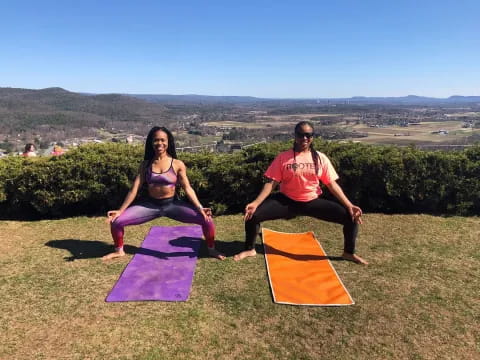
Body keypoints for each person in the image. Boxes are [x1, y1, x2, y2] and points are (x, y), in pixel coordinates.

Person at [234, 121, 368, 265]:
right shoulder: (283, 157)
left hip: (312, 201)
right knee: (253, 215)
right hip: (287, 201)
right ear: (295, 136)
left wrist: (349, 205)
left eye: (308, 135)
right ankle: (250, 249)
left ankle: (348, 253)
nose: (304, 138)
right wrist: (255, 203)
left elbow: (331, 184)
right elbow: (271, 183)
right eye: (301, 134)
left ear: (312, 137)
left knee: (351, 217)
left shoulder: (320, 158)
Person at [103, 126, 225, 260]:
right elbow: (134, 189)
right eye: (156, 140)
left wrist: (200, 208)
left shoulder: (177, 164)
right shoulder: (145, 165)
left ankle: (211, 249)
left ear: (168, 142)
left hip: (172, 205)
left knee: (207, 220)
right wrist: (120, 211)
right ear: (151, 142)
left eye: (163, 140)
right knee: (116, 221)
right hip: (151, 206)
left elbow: (187, 188)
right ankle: (119, 250)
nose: (159, 143)